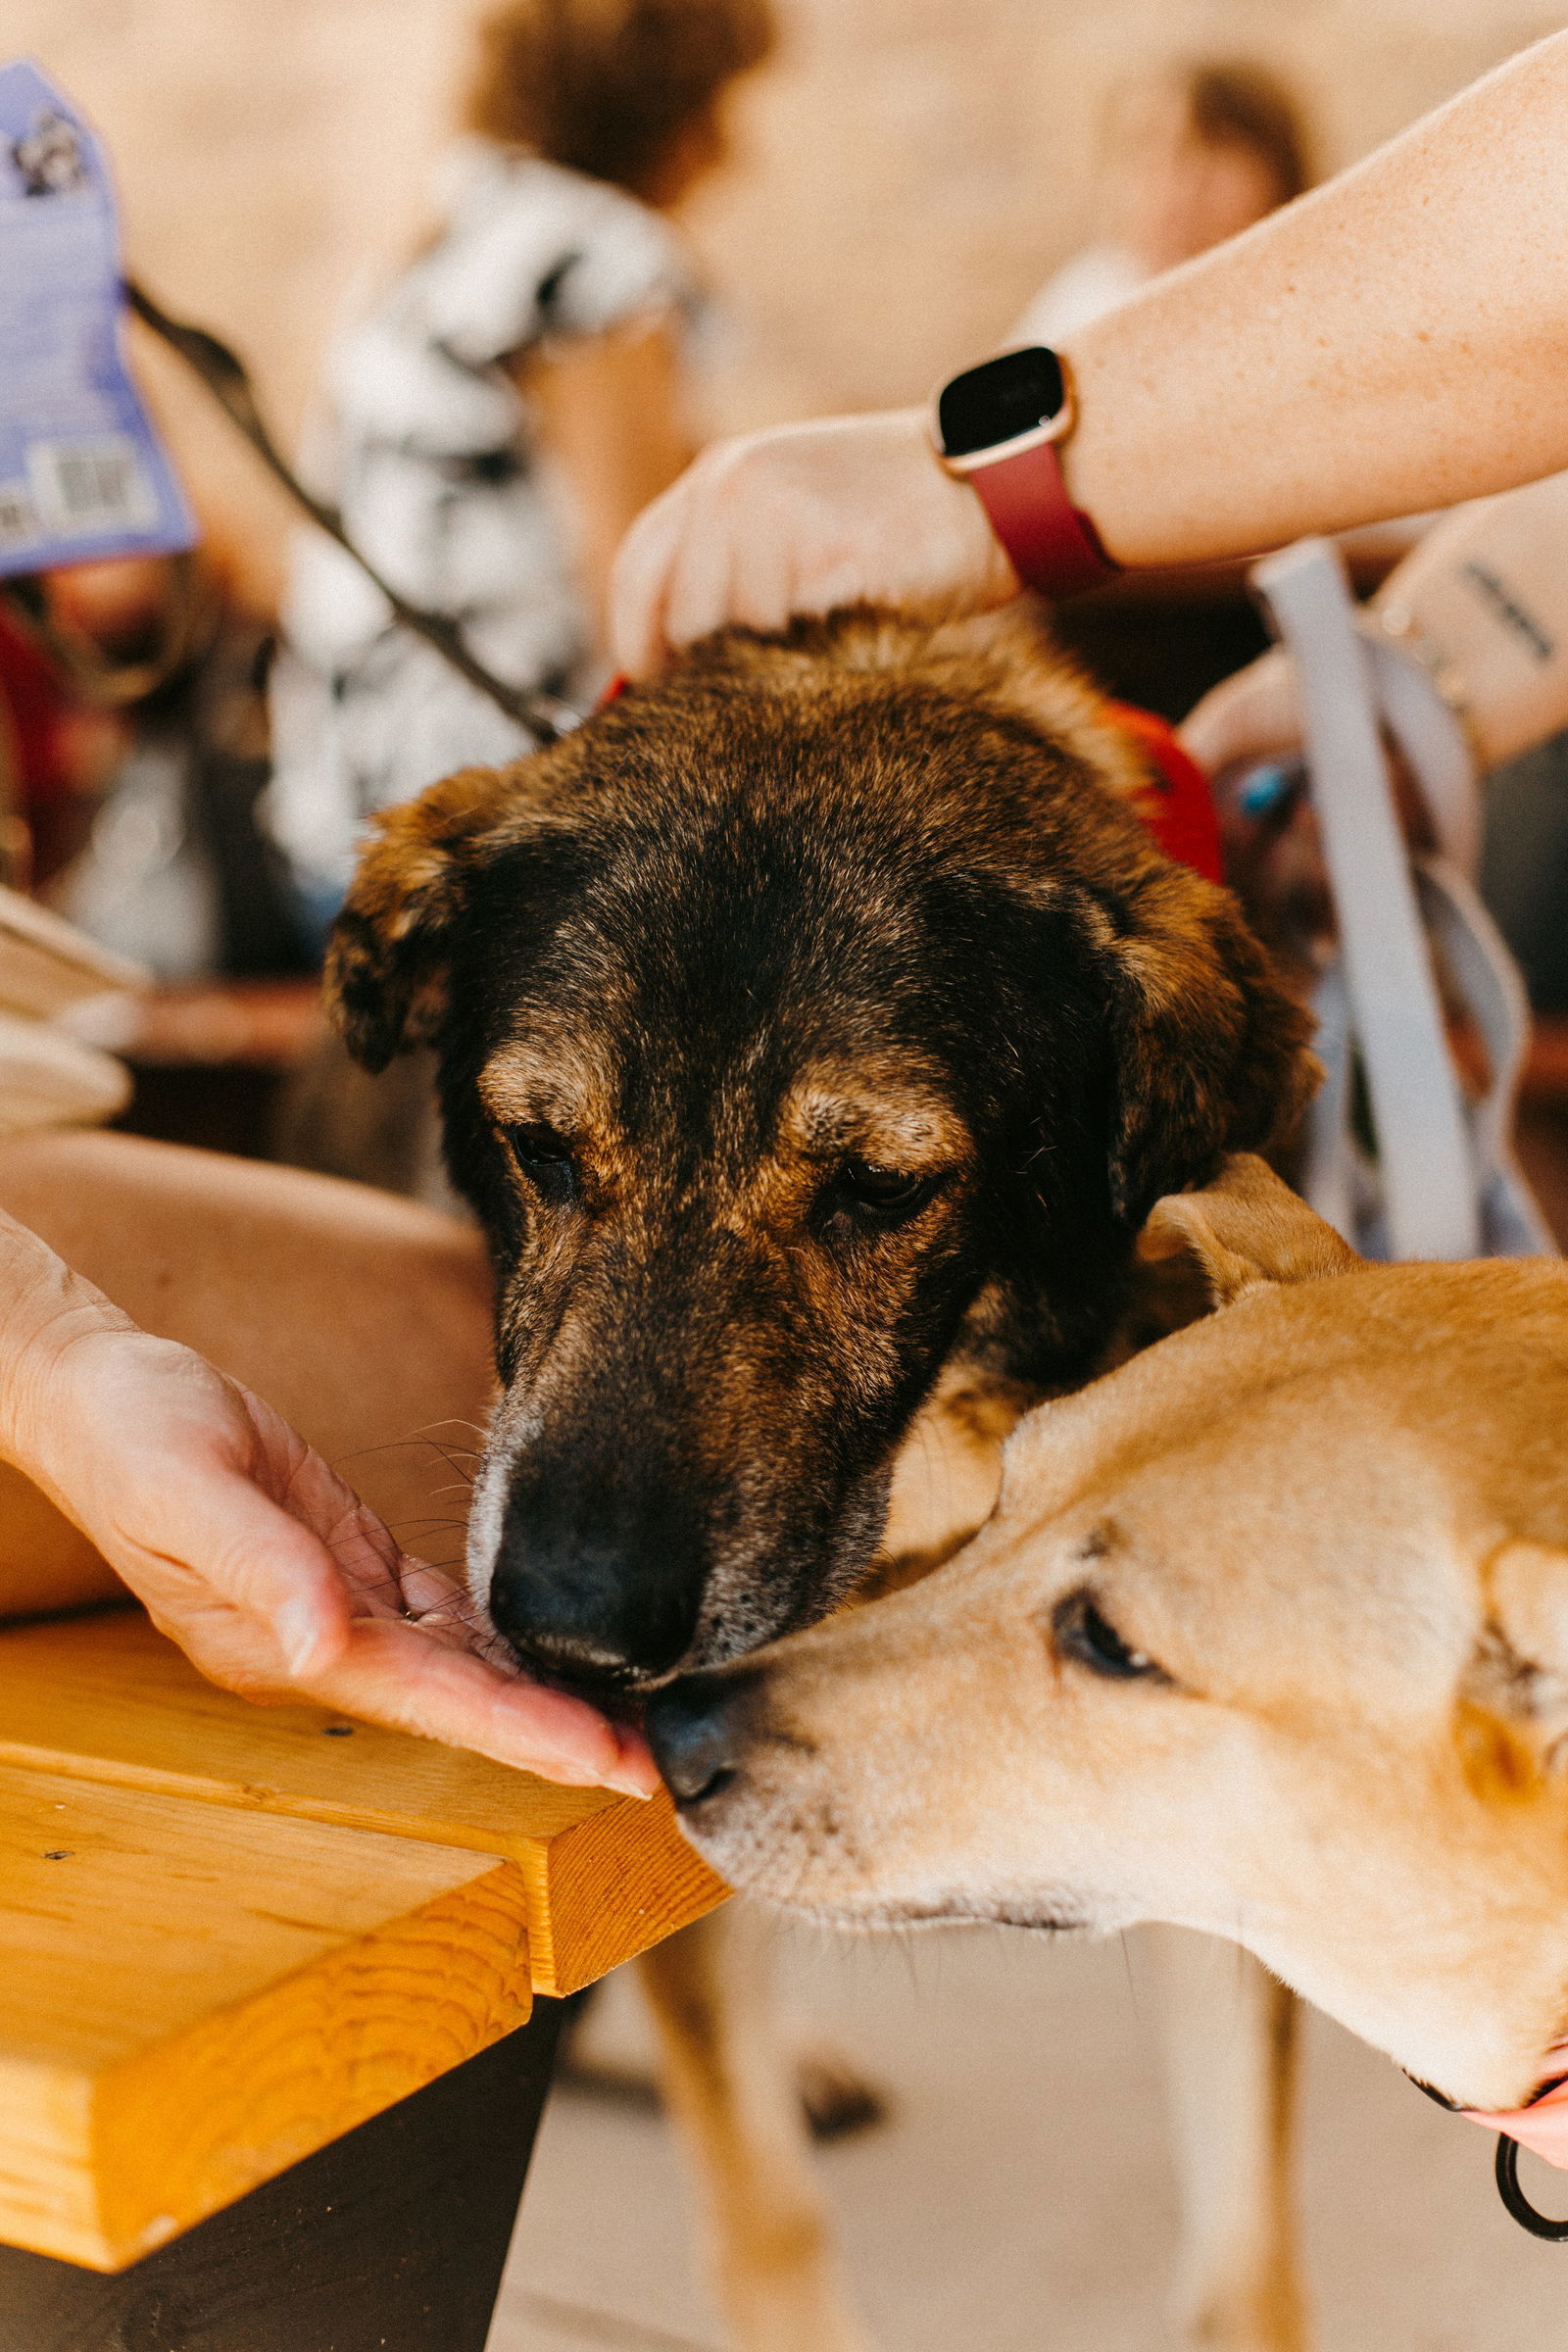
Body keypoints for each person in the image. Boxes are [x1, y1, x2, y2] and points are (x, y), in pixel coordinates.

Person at [12, 28, 1568, 1791]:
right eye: (546, 1151)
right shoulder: (594, 269)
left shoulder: (447, 238)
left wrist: (989, 487)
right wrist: (1409, 666)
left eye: (869, 1190)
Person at [609, 30, 1568, 676]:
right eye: (1144, 153)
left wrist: (974, 490)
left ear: (1278, 166)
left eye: (1207, 153)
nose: (1173, 185)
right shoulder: (1082, 301)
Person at [267, 0, 775, 938]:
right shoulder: (593, 259)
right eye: (718, 109)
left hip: (339, 836)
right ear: (662, 108)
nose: (732, 156)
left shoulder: (439, 247)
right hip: (487, 856)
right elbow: (649, 599)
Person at [1014, 58, 1311, 346]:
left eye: (1212, 149)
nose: (1177, 189)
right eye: (1142, 150)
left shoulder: (1309, 303)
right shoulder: (1082, 307)